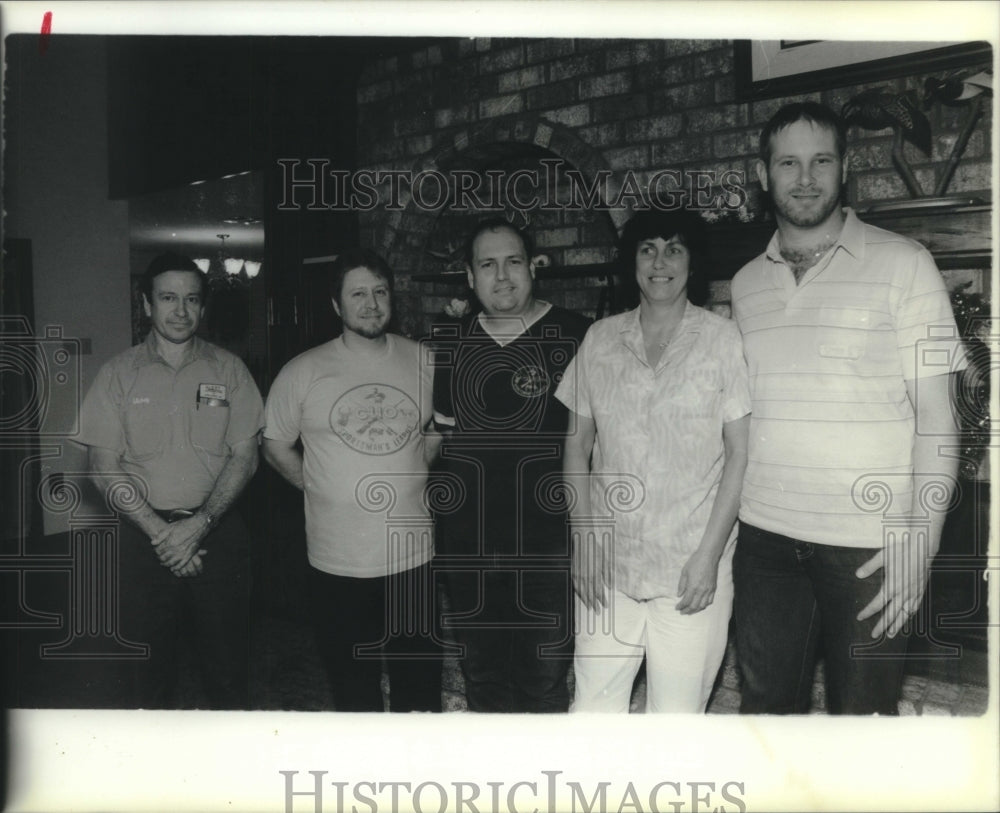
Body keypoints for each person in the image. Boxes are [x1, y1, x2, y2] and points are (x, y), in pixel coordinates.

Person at [730, 101, 964, 715]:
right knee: (765, 719)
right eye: (788, 162)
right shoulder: (745, 284)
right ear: (763, 175)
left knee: (863, 726)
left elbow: (939, 417)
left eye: (821, 160)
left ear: (844, 169)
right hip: (763, 542)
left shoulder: (906, 264)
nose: (805, 177)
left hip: (871, 546)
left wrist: (924, 535)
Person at [556, 210, 750, 713]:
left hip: (689, 571)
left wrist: (708, 557)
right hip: (608, 567)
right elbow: (575, 445)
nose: (659, 262)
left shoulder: (722, 339)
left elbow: (739, 454)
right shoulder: (600, 339)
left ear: (693, 263)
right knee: (592, 717)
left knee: (675, 725)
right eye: (647, 249)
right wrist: (583, 541)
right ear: (632, 262)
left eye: (674, 249)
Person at [78, 253, 263, 709]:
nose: (180, 311)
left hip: (217, 538)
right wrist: (165, 536)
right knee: (145, 679)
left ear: (202, 308)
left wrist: (197, 526)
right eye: (167, 298)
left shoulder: (230, 371)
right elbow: (103, 466)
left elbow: (246, 457)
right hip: (143, 543)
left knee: (228, 675)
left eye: (192, 299)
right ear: (146, 305)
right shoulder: (116, 375)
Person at [263, 248, 443, 712]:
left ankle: (418, 777)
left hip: (411, 557)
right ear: (337, 306)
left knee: (418, 686)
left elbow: (431, 433)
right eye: (358, 293)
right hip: (336, 561)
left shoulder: (423, 360)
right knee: (352, 688)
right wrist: (321, 486)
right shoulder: (302, 371)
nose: (371, 303)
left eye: (380, 292)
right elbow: (274, 444)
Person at [431, 218, 591, 712]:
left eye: (513, 262)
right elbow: (442, 440)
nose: (502, 276)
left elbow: (597, 445)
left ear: (532, 268)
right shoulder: (452, 345)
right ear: (469, 276)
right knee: (483, 679)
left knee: (542, 683)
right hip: (468, 551)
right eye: (488, 264)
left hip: (548, 550)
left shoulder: (579, 336)